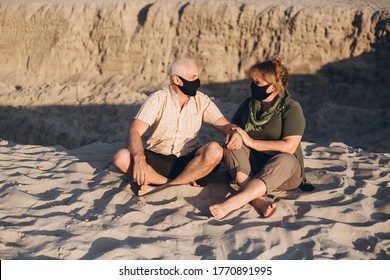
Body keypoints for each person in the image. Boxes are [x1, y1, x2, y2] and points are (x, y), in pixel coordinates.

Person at [113, 58, 242, 196]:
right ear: (176, 80)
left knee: (215, 150)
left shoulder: (201, 100)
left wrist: (234, 133)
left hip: (190, 161)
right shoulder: (157, 99)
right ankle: (174, 182)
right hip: (159, 158)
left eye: (198, 77)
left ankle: (163, 186)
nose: (197, 81)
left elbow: (225, 125)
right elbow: (134, 131)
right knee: (121, 157)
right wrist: (139, 159)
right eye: (193, 77)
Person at [209, 57, 306, 220]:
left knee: (286, 159)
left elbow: (289, 147)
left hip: (282, 172)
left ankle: (235, 202)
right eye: (252, 82)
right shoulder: (249, 104)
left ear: (273, 87)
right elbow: (234, 128)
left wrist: (251, 141)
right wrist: (236, 136)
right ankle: (257, 199)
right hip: (252, 169)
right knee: (230, 146)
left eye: (258, 83)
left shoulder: (291, 108)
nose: (253, 86)